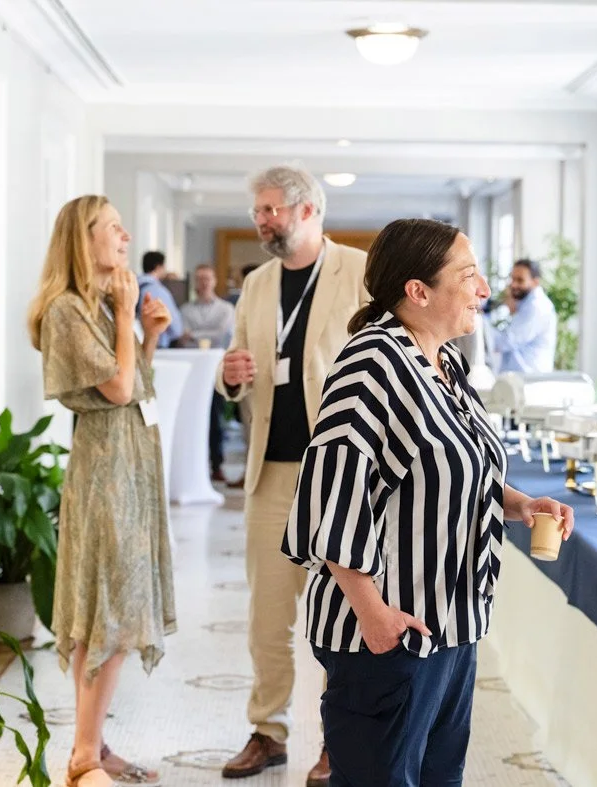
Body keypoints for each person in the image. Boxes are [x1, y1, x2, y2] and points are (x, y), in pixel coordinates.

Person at [281, 218, 575, 786]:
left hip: (450, 623)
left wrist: (520, 504)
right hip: (392, 631)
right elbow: (330, 494)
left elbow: (456, 470)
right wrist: (374, 615)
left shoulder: (443, 362)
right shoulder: (371, 365)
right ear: (418, 291)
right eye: (469, 277)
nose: (485, 290)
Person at [215, 164, 368, 785]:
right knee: (267, 614)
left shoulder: (358, 274)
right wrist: (231, 379)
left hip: (337, 473)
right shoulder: (255, 284)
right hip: (271, 473)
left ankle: (338, 742)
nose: (262, 220)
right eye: (258, 211)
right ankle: (268, 731)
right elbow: (238, 370)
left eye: (273, 209)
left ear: (309, 211)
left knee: (340, 614)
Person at [27, 196, 178, 787]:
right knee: (110, 608)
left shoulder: (98, 304)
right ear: (82, 239)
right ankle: (85, 755)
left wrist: (149, 336)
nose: (125, 234)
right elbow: (117, 391)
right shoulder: (67, 310)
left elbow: (135, 383)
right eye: (113, 227)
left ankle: (94, 745)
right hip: (104, 469)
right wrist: (125, 316)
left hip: (131, 463)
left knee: (112, 603)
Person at [179, 263, 237, 481]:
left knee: (215, 418)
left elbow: (222, 334)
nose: (203, 283)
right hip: (192, 373)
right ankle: (194, 465)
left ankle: (216, 464)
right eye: (199, 278)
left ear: (214, 281)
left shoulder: (225, 310)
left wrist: (192, 335)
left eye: (207, 278)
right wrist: (201, 335)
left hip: (215, 372)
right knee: (192, 419)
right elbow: (182, 336)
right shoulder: (185, 310)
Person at [486, 258, 557, 373]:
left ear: (535, 282)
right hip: (520, 379)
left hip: (528, 380)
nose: (513, 285)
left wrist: (480, 321)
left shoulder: (536, 307)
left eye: (520, 280)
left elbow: (505, 341)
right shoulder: (525, 304)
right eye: (512, 279)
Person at [137, 250, 183, 348]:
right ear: (159, 267)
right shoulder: (158, 290)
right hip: (158, 344)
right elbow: (175, 327)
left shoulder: (136, 286)